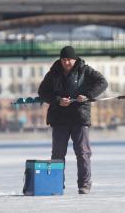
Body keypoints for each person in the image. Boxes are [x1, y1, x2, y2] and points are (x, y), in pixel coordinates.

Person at [38, 46, 108, 194]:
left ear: (75, 59)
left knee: (83, 153)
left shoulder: (85, 70)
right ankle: (56, 185)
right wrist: (57, 100)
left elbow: (102, 82)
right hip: (59, 118)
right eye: (64, 59)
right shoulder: (53, 72)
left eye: (69, 59)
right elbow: (42, 92)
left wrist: (88, 94)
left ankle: (84, 185)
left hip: (79, 116)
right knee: (57, 155)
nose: (66, 63)